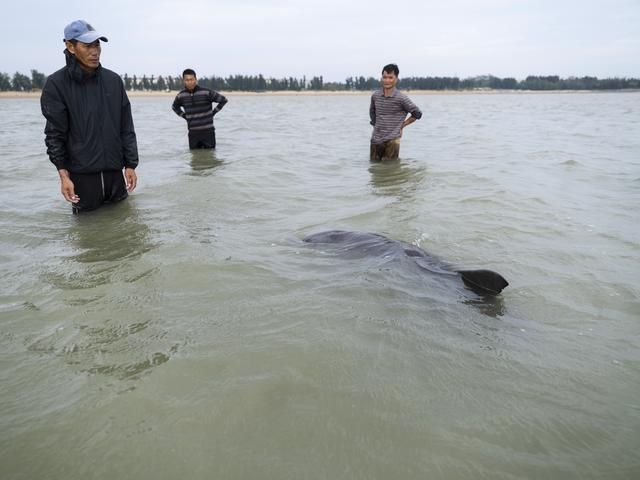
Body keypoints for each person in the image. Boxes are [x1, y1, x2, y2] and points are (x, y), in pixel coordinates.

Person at [40, 20, 139, 214]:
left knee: (125, 231)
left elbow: (126, 127)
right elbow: (54, 135)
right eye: (87, 46)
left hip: (115, 176)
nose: (95, 51)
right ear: (70, 46)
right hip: (82, 179)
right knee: (87, 236)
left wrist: (130, 164)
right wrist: (63, 175)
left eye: (97, 45)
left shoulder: (113, 81)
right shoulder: (56, 84)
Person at [369, 63, 422, 161]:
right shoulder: (375, 96)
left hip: (392, 141)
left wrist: (402, 125)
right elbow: (372, 113)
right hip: (376, 140)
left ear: (396, 79)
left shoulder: (401, 98)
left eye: (390, 77)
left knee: (390, 171)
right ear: (381, 78)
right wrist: (376, 126)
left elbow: (417, 113)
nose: (387, 80)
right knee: (375, 170)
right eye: (385, 77)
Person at [172, 69, 228, 149]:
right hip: (193, 133)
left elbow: (223, 100)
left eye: (191, 79)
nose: (190, 82)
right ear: (183, 81)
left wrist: (213, 113)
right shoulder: (181, 96)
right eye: (187, 80)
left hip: (208, 132)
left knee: (210, 157)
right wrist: (185, 116)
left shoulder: (206, 92)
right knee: (195, 159)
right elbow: (175, 107)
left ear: (196, 79)